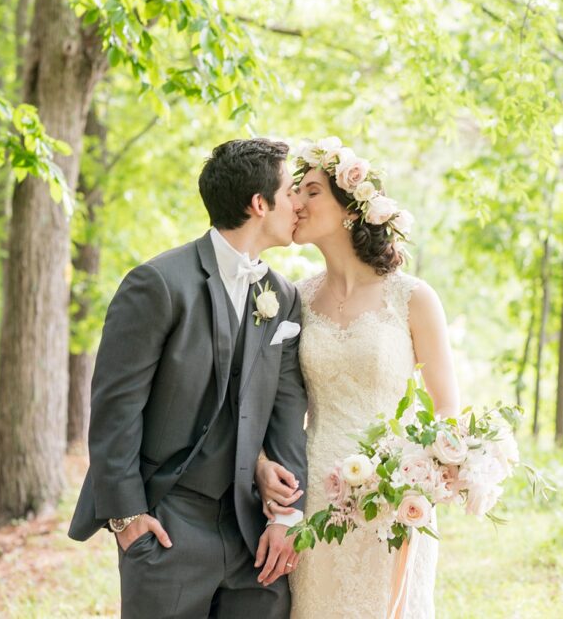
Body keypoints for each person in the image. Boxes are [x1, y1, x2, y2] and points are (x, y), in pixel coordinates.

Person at [68, 138, 308, 618]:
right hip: (167, 526)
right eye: (290, 192)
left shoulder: (282, 296)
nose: (299, 204)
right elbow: (116, 411)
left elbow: (286, 412)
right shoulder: (157, 283)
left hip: (253, 538)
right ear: (259, 204)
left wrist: (288, 515)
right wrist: (129, 519)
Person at [256, 137, 460, 618]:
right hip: (315, 496)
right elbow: (263, 398)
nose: (296, 202)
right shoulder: (294, 301)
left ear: (351, 208)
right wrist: (264, 463)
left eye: (310, 191)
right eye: (294, 192)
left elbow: (447, 406)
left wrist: (420, 478)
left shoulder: (412, 297)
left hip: (393, 497)